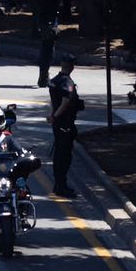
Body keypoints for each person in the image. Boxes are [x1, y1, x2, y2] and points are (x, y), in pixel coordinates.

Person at [49, 59, 83, 198]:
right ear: (71, 67)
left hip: (58, 123)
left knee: (58, 154)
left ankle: (58, 185)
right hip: (65, 123)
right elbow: (65, 102)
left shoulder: (54, 80)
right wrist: (55, 116)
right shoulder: (67, 82)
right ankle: (61, 186)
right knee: (64, 156)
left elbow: (52, 101)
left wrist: (52, 115)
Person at [33, 0, 65, 86]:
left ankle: (44, 76)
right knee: (47, 49)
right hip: (46, 18)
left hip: (51, 17)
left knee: (49, 48)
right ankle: (43, 77)